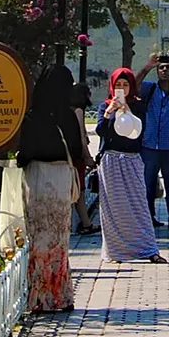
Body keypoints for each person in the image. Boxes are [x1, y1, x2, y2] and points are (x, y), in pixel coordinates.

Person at [16, 64, 84, 311]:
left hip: (38, 179)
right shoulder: (68, 116)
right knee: (59, 240)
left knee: (39, 240)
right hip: (61, 180)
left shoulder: (32, 118)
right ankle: (61, 294)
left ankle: (39, 296)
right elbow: (75, 151)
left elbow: (26, 153)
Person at [96, 68, 164, 264]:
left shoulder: (139, 106)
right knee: (113, 207)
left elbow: (137, 131)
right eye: (118, 85)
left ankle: (148, 249)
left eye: (125, 85)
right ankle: (116, 251)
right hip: (111, 159)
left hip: (132, 158)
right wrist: (110, 112)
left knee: (138, 204)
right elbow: (101, 130)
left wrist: (127, 110)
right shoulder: (104, 107)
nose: (122, 89)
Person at [136, 51, 169, 237]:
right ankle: (146, 223)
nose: (165, 70)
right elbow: (133, 88)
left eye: (168, 67)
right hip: (150, 145)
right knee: (147, 187)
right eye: (161, 68)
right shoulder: (149, 89)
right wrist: (146, 67)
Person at [69, 81, 96, 235]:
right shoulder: (78, 111)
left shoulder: (66, 109)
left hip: (69, 154)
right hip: (76, 156)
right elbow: (81, 136)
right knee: (80, 190)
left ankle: (83, 222)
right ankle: (86, 223)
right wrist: (88, 156)